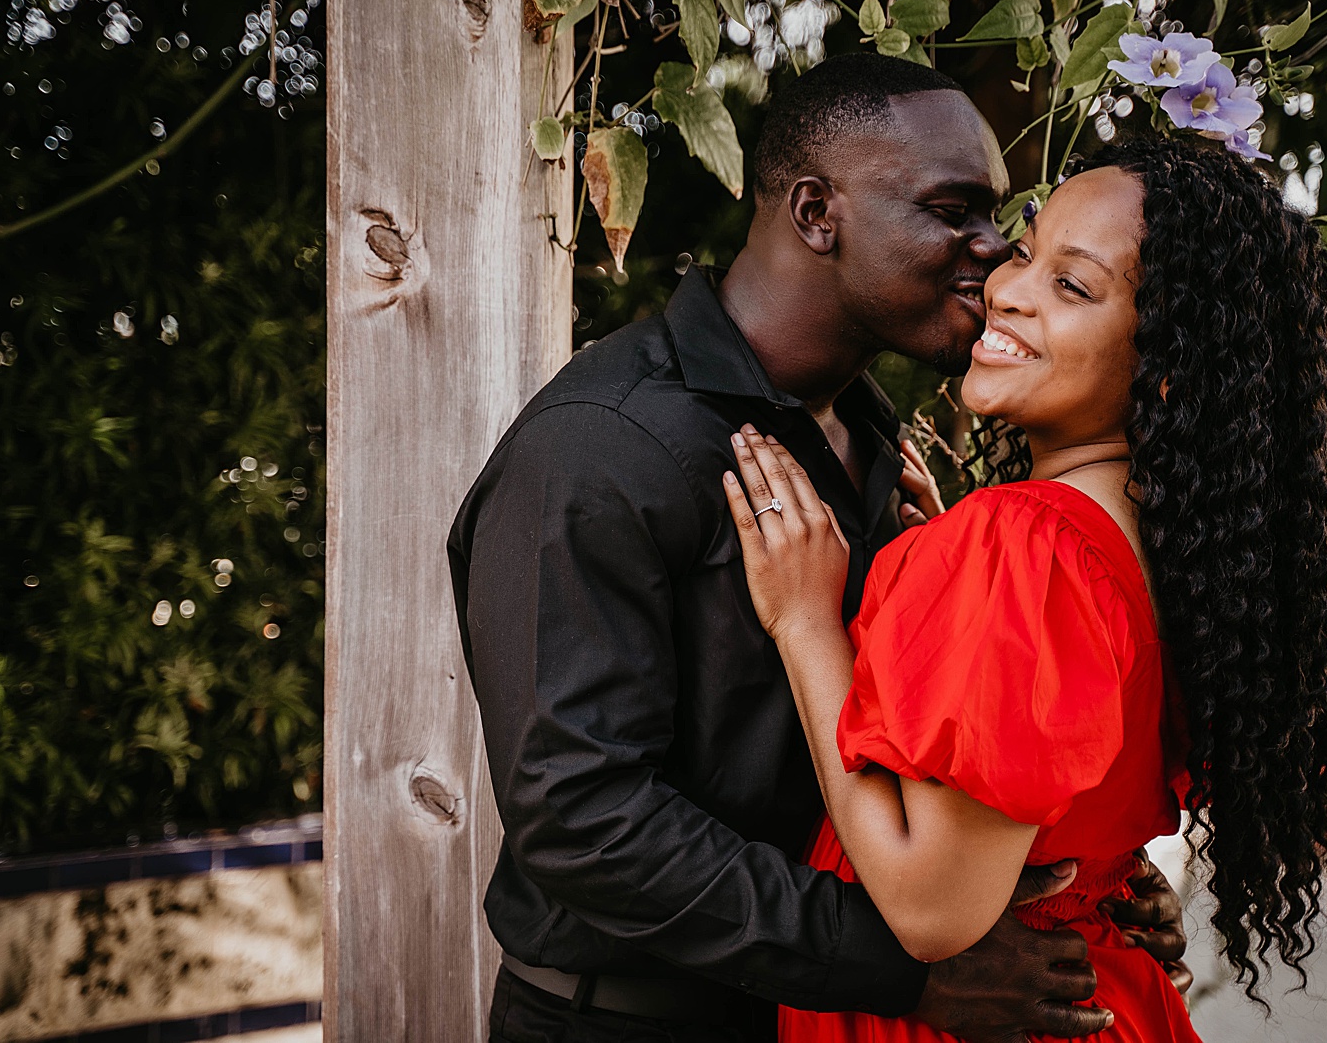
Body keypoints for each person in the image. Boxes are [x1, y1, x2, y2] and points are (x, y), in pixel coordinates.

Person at [448, 55, 1190, 1043]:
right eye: (952, 210)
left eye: (996, 217)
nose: (993, 252)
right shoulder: (598, 445)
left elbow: (922, 745)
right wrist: (898, 969)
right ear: (814, 212)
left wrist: (1070, 871)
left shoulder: (874, 433)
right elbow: (582, 818)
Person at [721, 136, 1327, 1043]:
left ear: (1166, 367)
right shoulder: (1178, 552)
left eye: (1072, 287)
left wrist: (805, 623)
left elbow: (930, 908)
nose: (1006, 287)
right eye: (1027, 253)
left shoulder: (1023, 549)